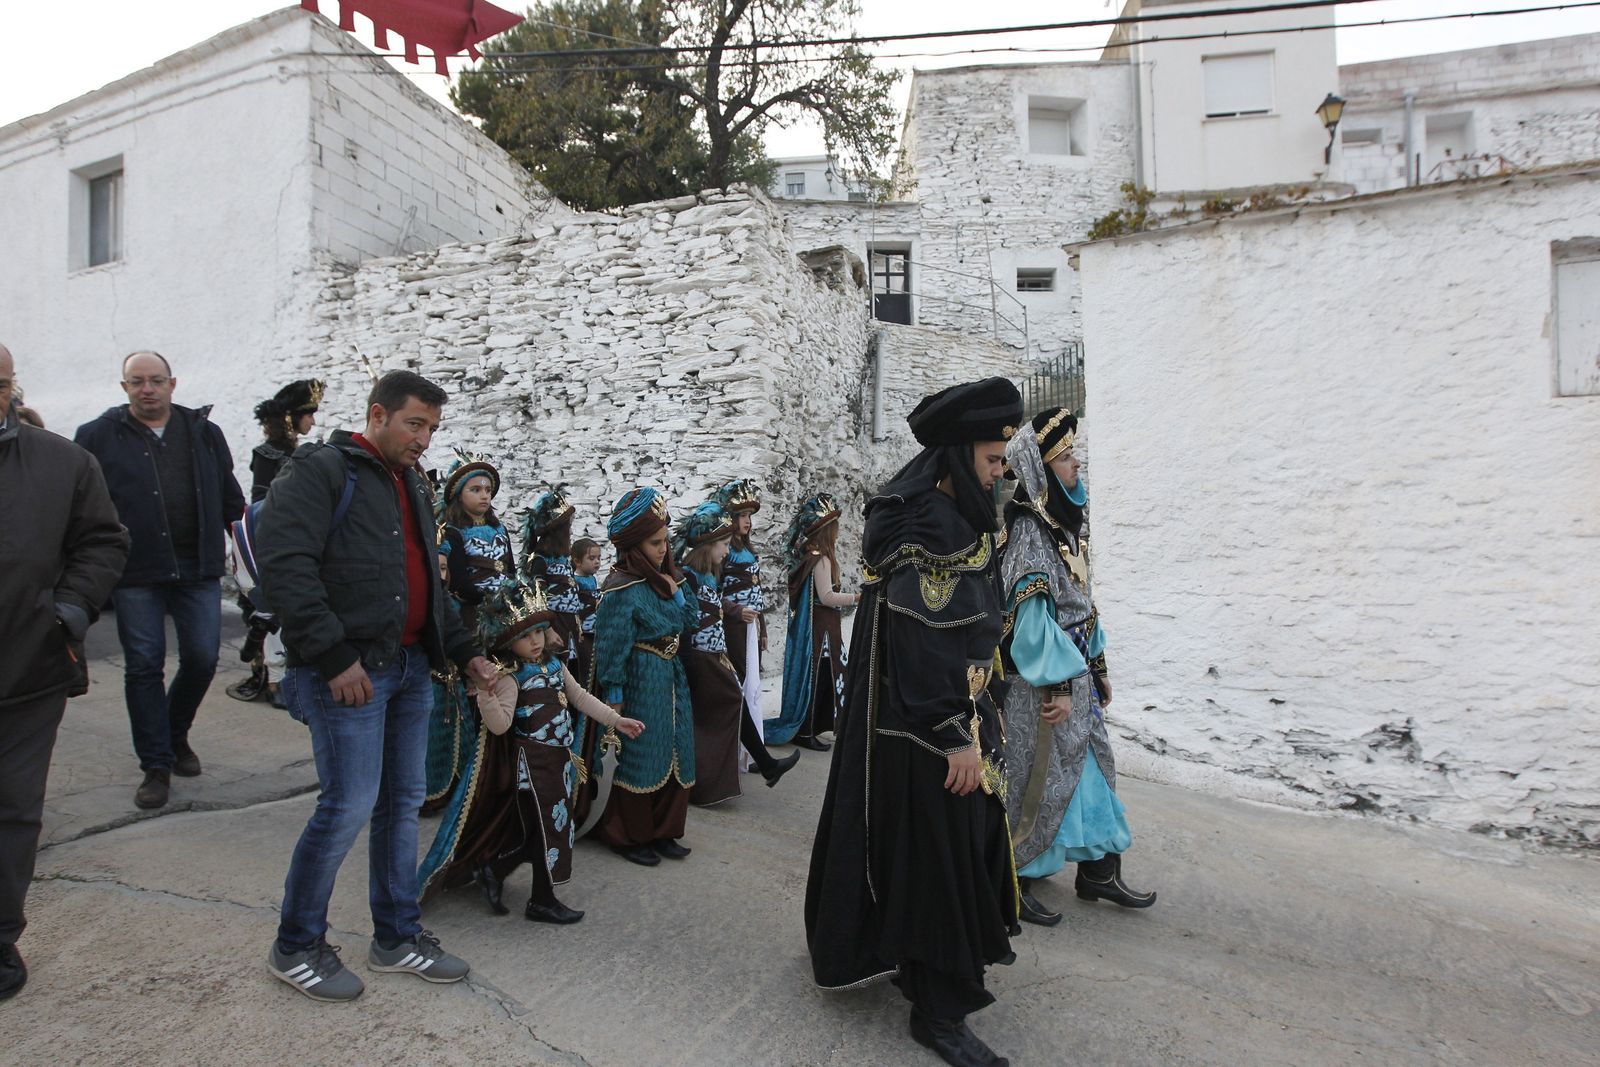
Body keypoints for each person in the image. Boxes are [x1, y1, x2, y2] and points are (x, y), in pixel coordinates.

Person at [255, 369, 498, 1003]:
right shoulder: (321, 471)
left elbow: (430, 586)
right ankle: (296, 944)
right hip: (351, 675)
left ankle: (397, 935)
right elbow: (284, 565)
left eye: (432, 428)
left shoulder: (413, 484)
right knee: (348, 806)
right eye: (415, 424)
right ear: (378, 414)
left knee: (401, 804)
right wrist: (333, 657)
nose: (424, 439)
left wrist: (467, 653)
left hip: (413, 669)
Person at [806, 378, 1024, 1067]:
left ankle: (916, 961)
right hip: (927, 731)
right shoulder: (926, 524)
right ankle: (940, 1012)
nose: (1000, 473)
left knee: (941, 853)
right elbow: (923, 642)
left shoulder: (938, 510)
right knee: (943, 860)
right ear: (960, 454)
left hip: (941, 718)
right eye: (992, 459)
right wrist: (953, 736)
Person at [0, 343, 130, 1002]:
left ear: (12, 387)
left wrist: (69, 611)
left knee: (14, 810)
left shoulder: (63, 462)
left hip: (29, 671)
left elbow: (104, 540)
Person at [74, 351, 246, 810]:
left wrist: (244, 543)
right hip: (136, 571)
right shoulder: (96, 437)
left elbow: (232, 498)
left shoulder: (204, 434)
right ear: (124, 387)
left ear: (172, 383)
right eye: (137, 382)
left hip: (197, 568)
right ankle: (155, 765)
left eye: (155, 381)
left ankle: (174, 733)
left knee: (203, 657)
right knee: (145, 665)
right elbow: (84, 505)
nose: (147, 389)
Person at [1001, 410, 1154, 923]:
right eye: (1065, 456)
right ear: (1042, 469)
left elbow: (1082, 603)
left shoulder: (1065, 527)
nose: (1076, 463)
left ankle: (1099, 873)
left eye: (1073, 453)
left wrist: (1099, 664)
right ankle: (1012, 878)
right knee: (1038, 782)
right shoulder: (1028, 530)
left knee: (1094, 773)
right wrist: (1062, 682)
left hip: (1078, 678)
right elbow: (1031, 622)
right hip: (1046, 686)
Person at [417, 580, 644, 924]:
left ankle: (493, 868)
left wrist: (616, 720)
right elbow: (499, 726)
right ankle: (541, 900)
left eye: (539, 631)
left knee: (542, 833)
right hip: (532, 769)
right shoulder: (510, 678)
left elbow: (580, 698)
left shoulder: (554, 666)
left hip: (559, 762)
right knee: (546, 833)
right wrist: (485, 694)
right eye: (526, 636)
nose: (536, 641)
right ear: (508, 642)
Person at [590, 488, 699, 867]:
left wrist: (677, 593)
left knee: (677, 747)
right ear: (635, 545)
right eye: (655, 542)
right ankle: (628, 835)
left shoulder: (670, 579)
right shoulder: (621, 588)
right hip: (640, 678)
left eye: (665, 541)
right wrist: (615, 693)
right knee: (641, 754)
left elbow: (693, 622)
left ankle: (664, 830)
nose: (662, 549)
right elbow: (611, 643)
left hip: (672, 674)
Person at [675, 502, 799, 804]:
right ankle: (708, 783)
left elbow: (717, 606)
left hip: (715, 655)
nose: (727, 553)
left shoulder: (707, 576)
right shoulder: (687, 577)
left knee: (730, 705)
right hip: (702, 659)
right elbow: (685, 624)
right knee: (726, 706)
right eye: (723, 545)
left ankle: (758, 768)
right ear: (707, 546)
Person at [427, 453, 516, 810]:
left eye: (488, 489)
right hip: (468, 618)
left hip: (500, 618)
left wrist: (508, 595)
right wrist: (488, 596)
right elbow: (459, 580)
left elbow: (509, 565)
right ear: (458, 494)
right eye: (476, 489)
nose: (484, 496)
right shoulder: (452, 531)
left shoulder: (500, 529)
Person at [229, 378, 324, 705]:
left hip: (306, 542)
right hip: (276, 544)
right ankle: (275, 680)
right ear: (290, 417)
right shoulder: (267, 455)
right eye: (307, 414)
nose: (312, 421)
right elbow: (262, 506)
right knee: (273, 613)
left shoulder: (309, 454)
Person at [766, 493, 858, 750]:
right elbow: (827, 596)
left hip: (823, 629)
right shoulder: (821, 560)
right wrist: (858, 597)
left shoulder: (812, 557)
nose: (838, 534)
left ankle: (813, 728)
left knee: (823, 678)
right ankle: (806, 732)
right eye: (835, 529)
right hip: (821, 631)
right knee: (817, 679)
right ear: (828, 532)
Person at [710, 479, 768, 770]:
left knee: (753, 684)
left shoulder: (747, 547)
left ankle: (751, 750)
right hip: (734, 626)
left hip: (750, 626)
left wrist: (763, 627)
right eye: (741, 515)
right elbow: (711, 594)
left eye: (748, 516)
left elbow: (757, 591)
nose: (746, 521)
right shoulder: (725, 551)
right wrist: (735, 612)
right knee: (740, 684)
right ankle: (741, 752)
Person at [520, 488, 584, 664]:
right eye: (568, 529)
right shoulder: (540, 561)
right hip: (556, 624)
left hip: (570, 625)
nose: (570, 533)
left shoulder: (563, 559)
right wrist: (547, 630)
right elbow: (536, 598)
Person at [570, 535, 604, 685]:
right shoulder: (574, 582)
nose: (596, 562)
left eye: (598, 558)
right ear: (577, 561)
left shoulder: (592, 579)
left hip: (595, 629)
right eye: (591, 558)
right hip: (584, 631)